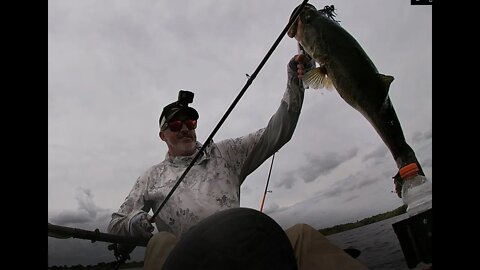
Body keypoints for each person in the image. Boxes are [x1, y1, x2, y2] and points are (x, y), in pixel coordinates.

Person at [107, 54, 368, 270]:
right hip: (191, 263)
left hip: (245, 249)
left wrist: (295, 81)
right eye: (175, 124)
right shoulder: (151, 177)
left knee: (300, 235)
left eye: (190, 122)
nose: (184, 128)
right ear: (163, 135)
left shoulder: (226, 152)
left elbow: (277, 132)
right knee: (160, 242)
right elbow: (117, 222)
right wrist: (132, 223)